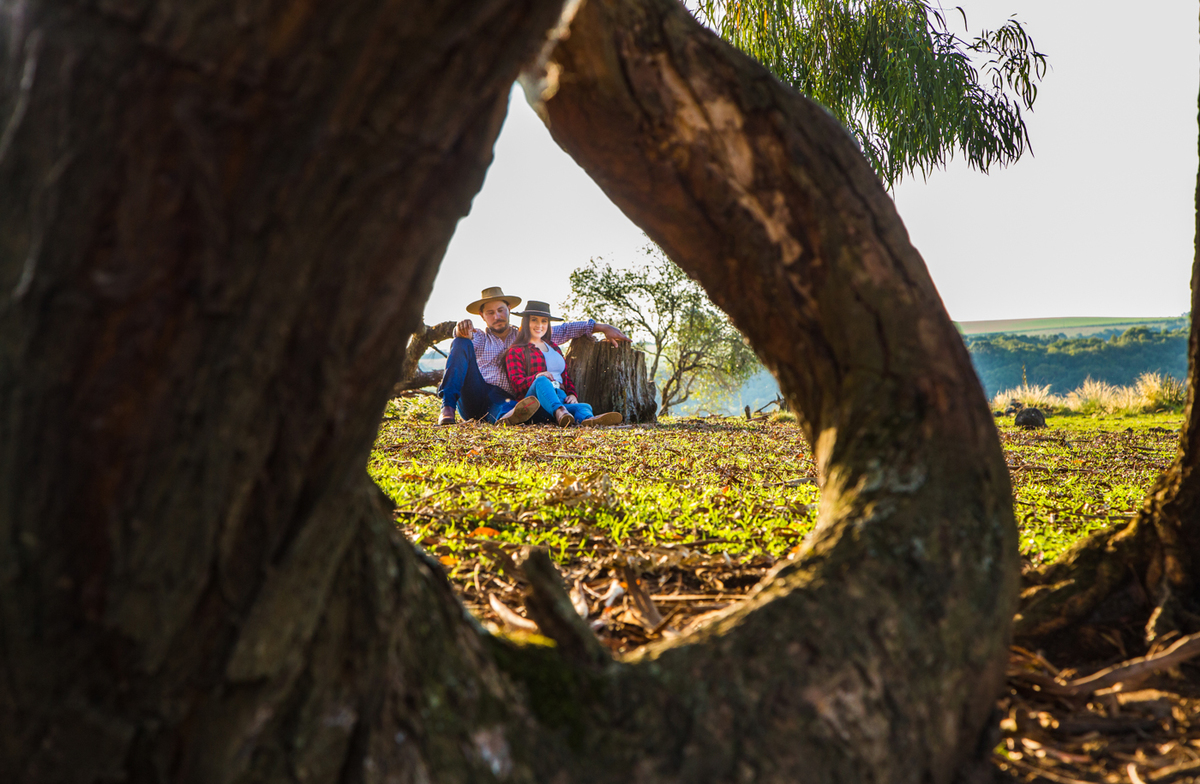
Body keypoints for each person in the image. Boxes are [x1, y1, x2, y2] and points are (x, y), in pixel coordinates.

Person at [437, 286, 630, 425]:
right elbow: (463, 341)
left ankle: (514, 417)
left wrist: (602, 327)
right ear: (482, 316)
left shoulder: (525, 335)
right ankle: (447, 407)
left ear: (509, 310)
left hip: (503, 399)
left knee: (507, 409)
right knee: (460, 342)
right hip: (475, 393)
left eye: (501, 310)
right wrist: (460, 331)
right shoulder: (479, 338)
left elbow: (565, 329)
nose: (497, 316)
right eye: (490, 313)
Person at [501, 301, 624, 427]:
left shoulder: (553, 347)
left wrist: (571, 394)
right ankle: (560, 412)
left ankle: (589, 420)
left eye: (544, 321)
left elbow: (565, 376)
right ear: (526, 322)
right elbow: (516, 384)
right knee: (542, 380)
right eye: (534, 320)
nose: (539, 325)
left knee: (584, 406)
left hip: (559, 397)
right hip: (536, 402)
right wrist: (536, 377)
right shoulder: (516, 350)